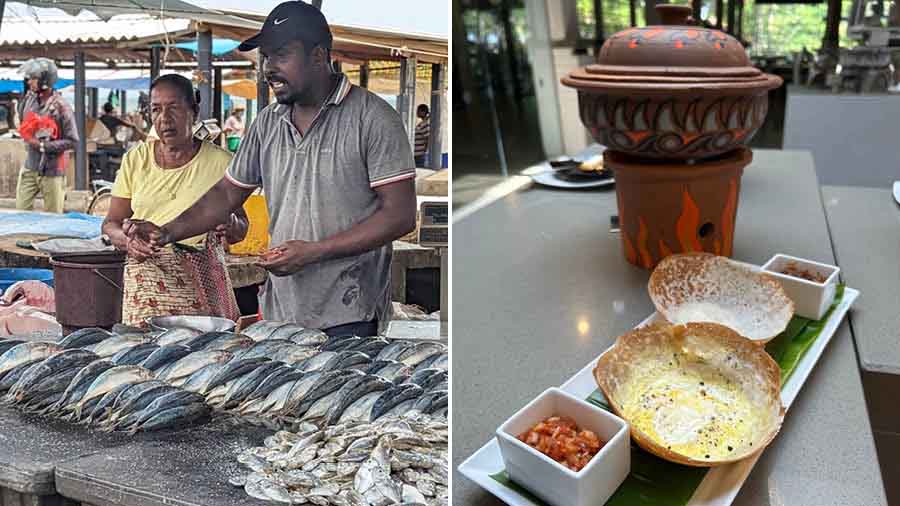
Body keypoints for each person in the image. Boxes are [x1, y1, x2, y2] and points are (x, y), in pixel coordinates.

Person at [125, 1, 416, 337]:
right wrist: (167, 231)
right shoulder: (268, 122)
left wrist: (315, 252)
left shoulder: (373, 118)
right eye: (266, 57)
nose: (268, 68)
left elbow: (400, 215)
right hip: (281, 311)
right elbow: (226, 193)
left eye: (281, 55)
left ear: (319, 57)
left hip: (351, 312)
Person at [103, 74, 249, 327]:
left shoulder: (221, 162)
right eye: (156, 110)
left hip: (202, 288)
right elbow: (110, 223)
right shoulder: (135, 160)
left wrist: (233, 226)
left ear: (194, 110)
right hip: (146, 288)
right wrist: (128, 241)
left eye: (174, 108)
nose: (164, 119)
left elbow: (240, 229)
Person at [15, 58, 78, 214]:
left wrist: (44, 146)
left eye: (33, 78)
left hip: (52, 171)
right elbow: (23, 124)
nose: (29, 82)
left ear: (45, 81)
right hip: (30, 167)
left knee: (53, 218)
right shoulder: (28, 101)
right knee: (21, 213)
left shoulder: (61, 106)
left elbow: (73, 141)